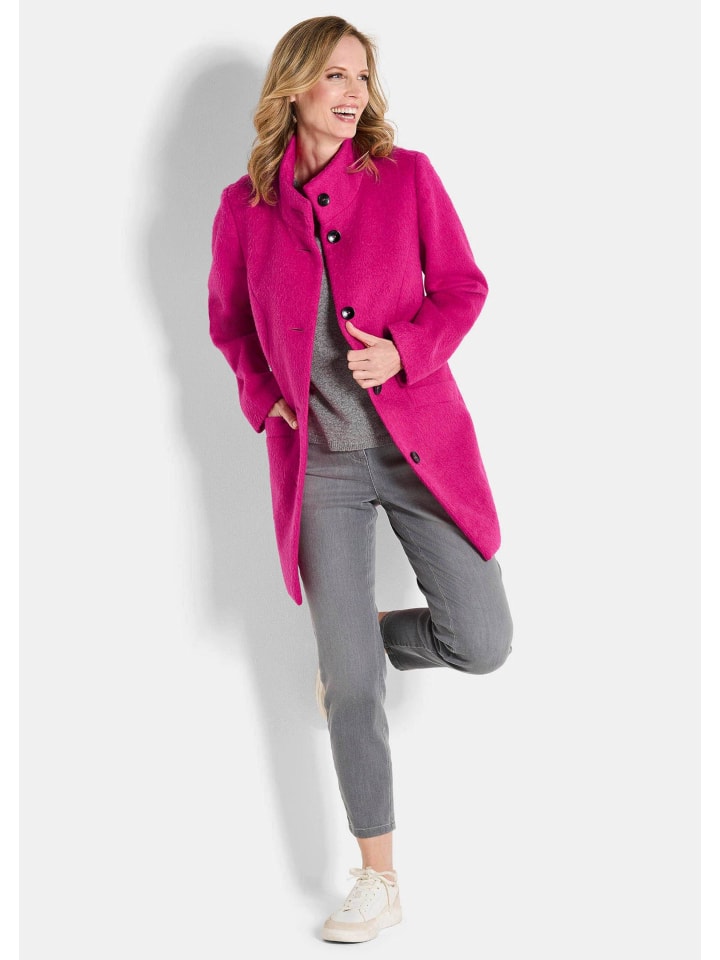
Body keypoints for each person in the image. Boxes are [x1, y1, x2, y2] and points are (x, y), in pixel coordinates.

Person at [208, 15, 513, 943]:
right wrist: (265, 397)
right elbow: (229, 324)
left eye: (363, 77)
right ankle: (378, 878)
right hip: (323, 467)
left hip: (418, 446)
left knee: (484, 641)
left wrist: (406, 352)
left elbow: (463, 287)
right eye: (336, 75)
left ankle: (368, 638)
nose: (354, 93)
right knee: (350, 687)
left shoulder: (406, 176)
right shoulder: (243, 207)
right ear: (294, 84)